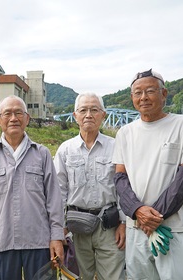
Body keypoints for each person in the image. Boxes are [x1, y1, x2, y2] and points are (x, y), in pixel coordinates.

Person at [112, 69, 183, 280]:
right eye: (137, 92)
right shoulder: (125, 133)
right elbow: (120, 179)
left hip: (175, 229)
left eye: (150, 91)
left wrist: (152, 219)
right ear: (131, 97)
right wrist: (138, 211)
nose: (144, 97)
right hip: (137, 229)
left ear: (164, 93)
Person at [0, 95, 64, 280]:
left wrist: (57, 237)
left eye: (18, 113)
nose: (14, 118)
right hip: (2, 242)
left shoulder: (42, 154)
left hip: (39, 242)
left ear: (27, 118)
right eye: (8, 113)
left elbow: (54, 200)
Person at [54, 93, 126, 280]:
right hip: (75, 227)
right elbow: (59, 190)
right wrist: (59, 226)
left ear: (103, 115)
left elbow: (123, 188)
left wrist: (124, 223)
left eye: (94, 110)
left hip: (109, 226)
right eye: (83, 110)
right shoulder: (65, 149)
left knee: (114, 276)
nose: (88, 115)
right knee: (75, 276)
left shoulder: (116, 146)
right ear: (75, 115)